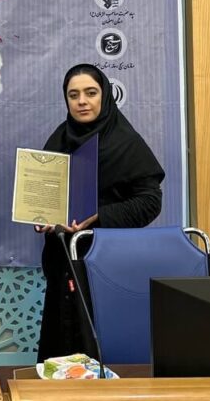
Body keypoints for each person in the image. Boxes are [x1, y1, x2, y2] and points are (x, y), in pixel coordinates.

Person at [35, 63, 165, 360]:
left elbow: (149, 202)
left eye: (91, 93)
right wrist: (42, 218)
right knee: (62, 348)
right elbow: (45, 197)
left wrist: (99, 217)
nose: (82, 101)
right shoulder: (59, 139)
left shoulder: (125, 142)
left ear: (105, 95)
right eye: (74, 95)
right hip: (64, 262)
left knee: (102, 351)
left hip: (108, 264)